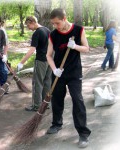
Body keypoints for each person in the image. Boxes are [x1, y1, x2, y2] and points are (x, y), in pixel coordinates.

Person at [46, 8, 91, 148]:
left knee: (78, 100)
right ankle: (57, 124)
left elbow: (87, 48)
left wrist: (76, 46)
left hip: (74, 73)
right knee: (57, 99)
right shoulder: (53, 35)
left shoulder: (78, 30)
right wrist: (54, 70)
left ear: (64, 19)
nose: (55, 26)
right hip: (59, 73)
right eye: (53, 23)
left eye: (57, 23)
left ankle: (83, 134)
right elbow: (48, 55)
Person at [17, 16, 52, 111]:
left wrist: (21, 62)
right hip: (50, 60)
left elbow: (32, 50)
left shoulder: (37, 33)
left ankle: (36, 106)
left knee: (37, 83)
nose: (28, 27)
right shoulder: (47, 30)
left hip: (41, 60)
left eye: (28, 25)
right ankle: (46, 104)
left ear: (32, 22)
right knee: (47, 82)